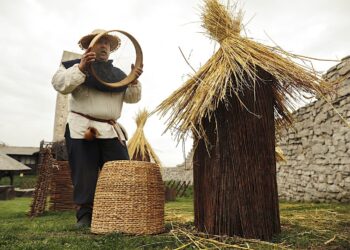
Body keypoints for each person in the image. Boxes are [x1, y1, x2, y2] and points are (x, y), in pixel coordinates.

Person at [52, 29, 142, 228]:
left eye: (108, 43)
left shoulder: (118, 74)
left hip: (110, 130)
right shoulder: (72, 66)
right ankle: (85, 216)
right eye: (100, 42)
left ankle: (118, 213)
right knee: (85, 172)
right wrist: (81, 69)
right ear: (89, 46)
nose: (104, 46)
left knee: (121, 172)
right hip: (84, 129)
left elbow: (132, 98)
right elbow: (60, 85)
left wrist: (133, 81)